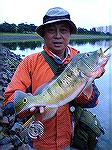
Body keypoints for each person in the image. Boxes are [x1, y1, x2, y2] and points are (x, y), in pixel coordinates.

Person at [4, 7, 105, 150]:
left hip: (69, 139)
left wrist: (88, 80)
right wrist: (30, 107)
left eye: (63, 30)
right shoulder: (30, 62)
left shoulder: (80, 59)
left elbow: (92, 102)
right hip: (39, 141)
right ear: (44, 35)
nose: (58, 36)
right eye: (51, 30)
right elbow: (11, 100)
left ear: (70, 34)